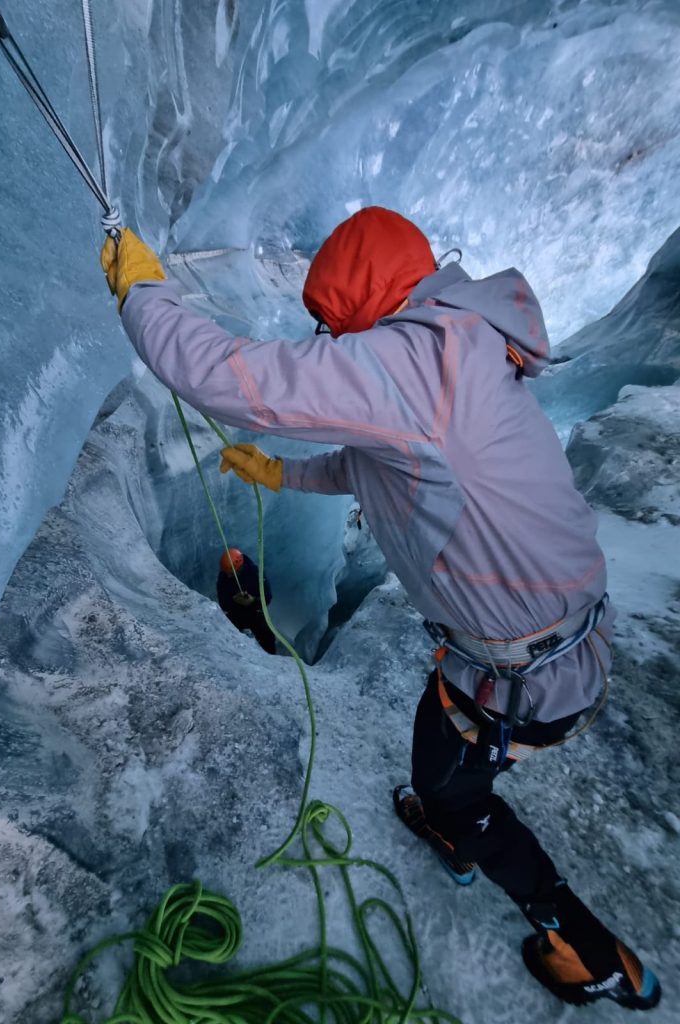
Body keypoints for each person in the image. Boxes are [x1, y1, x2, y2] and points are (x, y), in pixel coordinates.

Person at [101, 206, 660, 1010]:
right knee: (437, 749)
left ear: (361, 300)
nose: (331, 344)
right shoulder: (457, 346)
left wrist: (141, 291)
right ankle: (447, 814)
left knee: (454, 793)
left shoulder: (415, 358)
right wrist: (282, 476)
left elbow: (235, 380)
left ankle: (592, 951)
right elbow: (387, 464)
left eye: (331, 323)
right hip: (541, 652)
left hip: (530, 681)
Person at [216, 547, 276, 654]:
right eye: (226, 572)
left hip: (255, 612)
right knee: (224, 634)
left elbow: (267, 597)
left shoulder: (256, 573)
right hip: (235, 614)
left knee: (267, 635)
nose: (228, 575)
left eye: (230, 572)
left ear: (237, 567)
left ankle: (271, 659)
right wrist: (234, 601)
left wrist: (252, 601)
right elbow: (223, 603)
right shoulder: (223, 577)